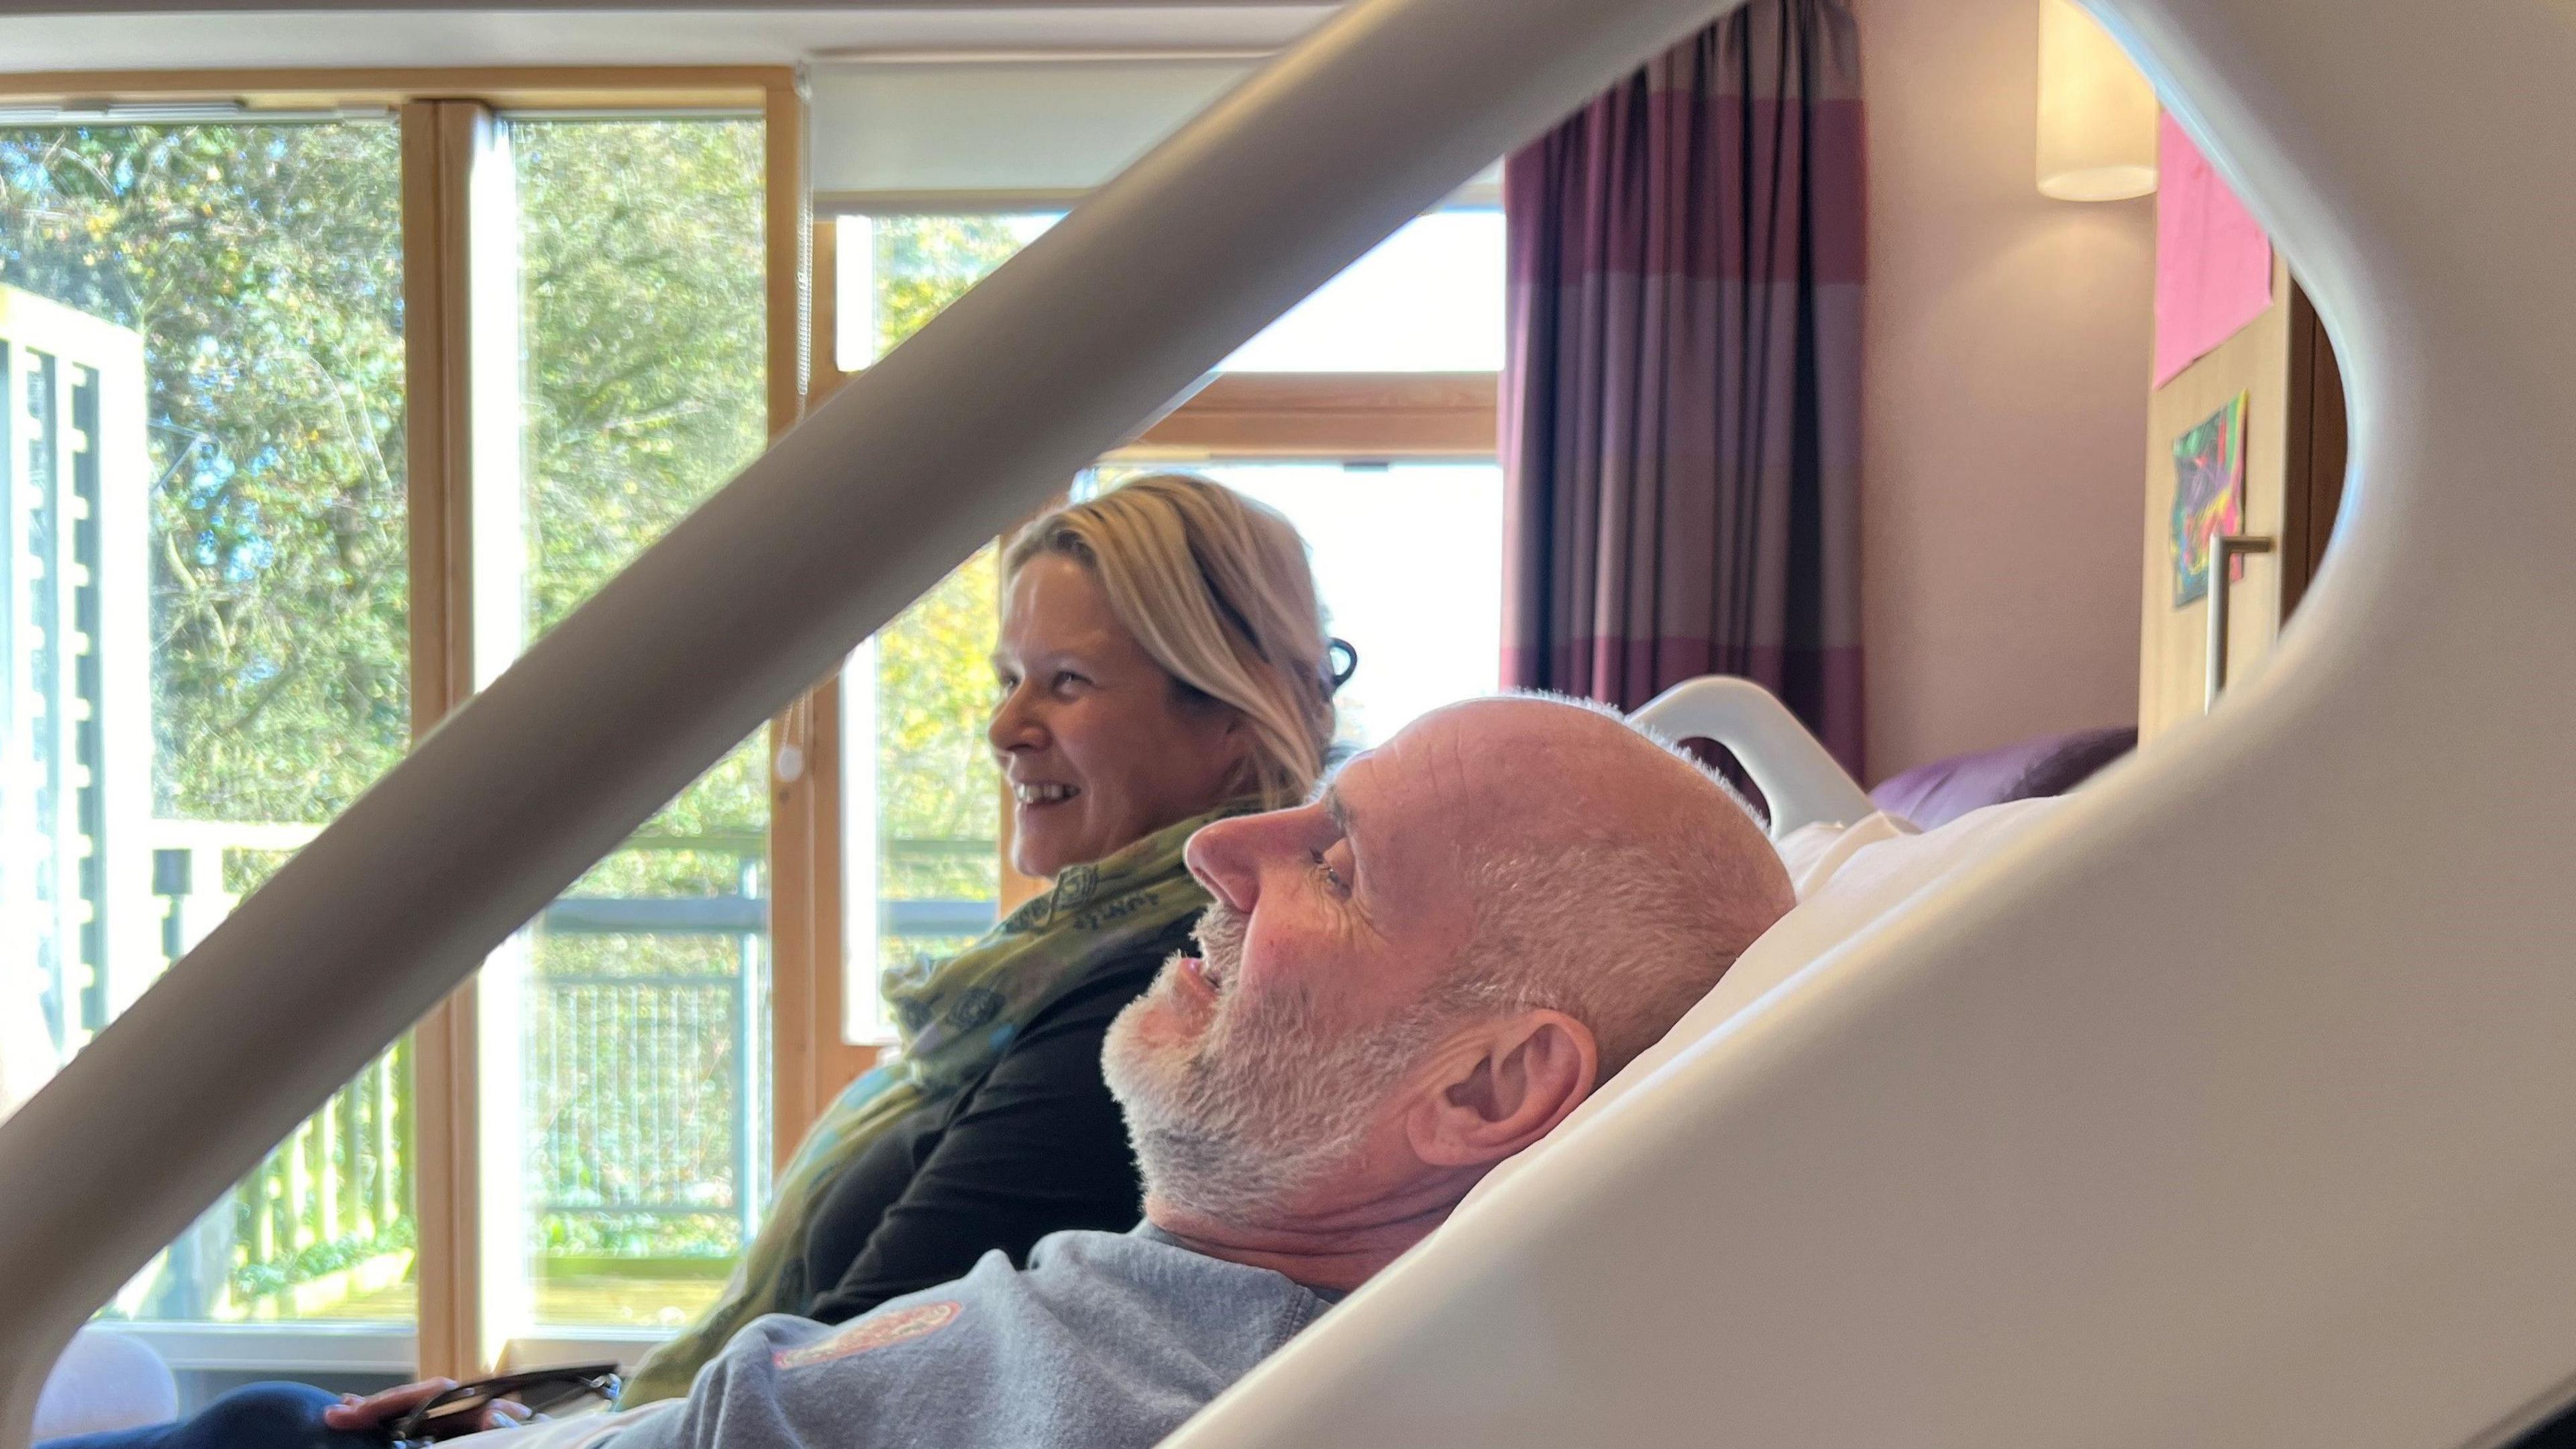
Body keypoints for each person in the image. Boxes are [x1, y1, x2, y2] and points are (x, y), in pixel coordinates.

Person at [67, 695, 1796, 1449]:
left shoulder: (1213, 1400)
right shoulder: (1182, 1318)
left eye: (1336, 867)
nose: (1224, 853)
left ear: (1489, 1094)